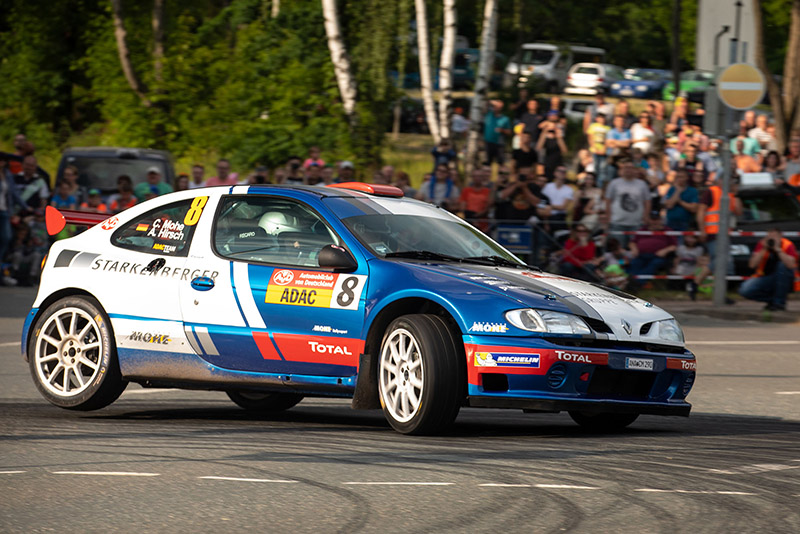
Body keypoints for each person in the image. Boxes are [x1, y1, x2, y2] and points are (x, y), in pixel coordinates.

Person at [738, 228, 798, 311]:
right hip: (766, 277)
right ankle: (774, 300)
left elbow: (791, 265)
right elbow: (752, 265)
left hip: (785, 279)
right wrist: (764, 249)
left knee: (782, 266)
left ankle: (779, 303)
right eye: (770, 236)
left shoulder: (787, 245)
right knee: (745, 290)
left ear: (780, 236)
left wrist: (778, 250)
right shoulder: (762, 245)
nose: (772, 239)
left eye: (774, 236)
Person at [604, 158, 651, 245]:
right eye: (626, 167)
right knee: (618, 249)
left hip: (636, 223)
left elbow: (647, 201)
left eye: (631, 167)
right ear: (621, 170)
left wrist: (646, 216)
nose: (628, 170)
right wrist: (608, 216)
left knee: (635, 249)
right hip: (617, 222)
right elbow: (608, 201)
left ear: (635, 170)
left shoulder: (642, 184)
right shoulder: (614, 183)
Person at [541, 166, 573, 232]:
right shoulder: (547, 187)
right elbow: (542, 204)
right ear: (555, 173)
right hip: (545, 217)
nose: (562, 173)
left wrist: (549, 206)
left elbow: (563, 207)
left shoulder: (569, 190)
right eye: (560, 171)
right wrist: (545, 222)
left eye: (564, 172)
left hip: (559, 218)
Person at [536, 112, 567, 179]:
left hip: (557, 163)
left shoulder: (558, 138)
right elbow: (538, 148)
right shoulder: (545, 137)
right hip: (547, 164)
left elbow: (564, 150)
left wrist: (559, 136)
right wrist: (544, 133)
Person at [483, 100, 511, 166]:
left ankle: (499, 175)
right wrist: (493, 102)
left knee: (500, 162)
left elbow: (509, 132)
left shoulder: (505, 119)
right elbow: (485, 104)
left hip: (499, 143)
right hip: (488, 142)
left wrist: (502, 130)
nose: (497, 108)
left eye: (499, 107)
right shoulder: (489, 115)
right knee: (488, 162)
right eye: (495, 106)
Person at [586, 113, 611, 187]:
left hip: (603, 152)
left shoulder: (607, 128)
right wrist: (594, 147)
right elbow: (590, 137)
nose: (602, 119)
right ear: (596, 119)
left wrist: (604, 149)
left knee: (602, 169)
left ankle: (599, 186)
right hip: (594, 151)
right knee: (594, 168)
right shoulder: (593, 126)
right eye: (600, 118)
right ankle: (592, 184)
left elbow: (608, 140)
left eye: (603, 118)